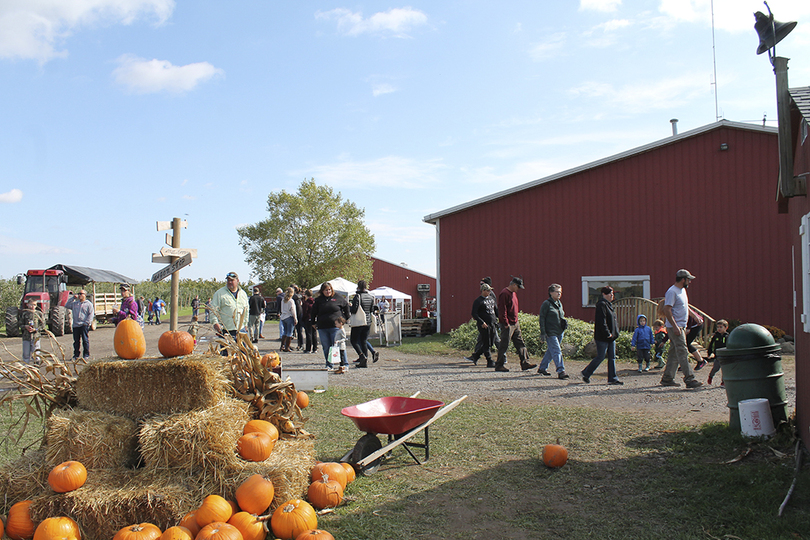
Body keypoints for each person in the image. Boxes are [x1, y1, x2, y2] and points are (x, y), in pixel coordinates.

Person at [660, 269, 703, 388]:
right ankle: (690, 379)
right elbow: (667, 309)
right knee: (683, 351)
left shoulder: (682, 290)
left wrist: (694, 316)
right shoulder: (672, 291)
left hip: (681, 326)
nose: (690, 282)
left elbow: (684, 306)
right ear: (683, 279)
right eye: (688, 279)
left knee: (674, 353)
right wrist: (674, 326)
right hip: (676, 327)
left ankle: (667, 378)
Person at [581, 287, 623, 385]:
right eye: (609, 294)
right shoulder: (601, 305)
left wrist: (615, 333)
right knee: (600, 356)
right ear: (604, 294)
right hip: (603, 337)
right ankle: (586, 373)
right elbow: (601, 321)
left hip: (611, 337)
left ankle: (613, 378)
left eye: (612, 293)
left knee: (612, 357)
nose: (611, 295)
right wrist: (607, 333)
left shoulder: (609, 305)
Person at [494, 277, 537, 373]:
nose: (518, 289)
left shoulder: (513, 293)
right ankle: (499, 365)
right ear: (513, 285)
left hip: (515, 322)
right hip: (508, 323)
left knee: (520, 343)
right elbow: (502, 309)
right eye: (518, 287)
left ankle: (525, 362)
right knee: (504, 344)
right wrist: (505, 323)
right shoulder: (504, 293)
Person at [310, 281, 350, 370]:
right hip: (322, 327)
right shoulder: (318, 300)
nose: (328, 292)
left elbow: (346, 306)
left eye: (329, 290)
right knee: (326, 347)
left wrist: (345, 318)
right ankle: (329, 364)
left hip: (335, 327)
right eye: (325, 290)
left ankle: (344, 364)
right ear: (322, 291)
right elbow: (313, 312)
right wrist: (313, 322)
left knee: (339, 346)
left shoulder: (338, 297)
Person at [210, 272, 250, 355]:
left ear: (237, 280)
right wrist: (215, 322)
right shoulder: (220, 293)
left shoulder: (243, 294)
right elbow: (213, 309)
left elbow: (246, 310)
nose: (229, 282)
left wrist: (245, 324)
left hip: (241, 330)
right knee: (227, 356)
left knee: (243, 355)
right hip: (226, 330)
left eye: (232, 280)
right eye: (228, 280)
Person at [537, 283, 569, 379]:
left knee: (551, 351)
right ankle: (561, 370)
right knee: (556, 351)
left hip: (559, 331)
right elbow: (542, 318)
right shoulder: (546, 304)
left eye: (560, 292)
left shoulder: (559, 303)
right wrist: (543, 332)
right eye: (557, 292)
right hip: (550, 332)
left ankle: (542, 368)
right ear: (551, 293)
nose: (559, 294)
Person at [466, 283, 498, 367]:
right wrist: (481, 322)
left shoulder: (491, 299)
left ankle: (475, 356)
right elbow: (474, 313)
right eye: (487, 290)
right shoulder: (478, 301)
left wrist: (499, 319)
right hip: (484, 325)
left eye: (490, 290)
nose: (489, 292)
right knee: (486, 342)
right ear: (483, 290)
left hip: (493, 323)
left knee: (491, 342)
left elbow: (496, 310)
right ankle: (489, 361)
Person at [349, 280, 378, 368]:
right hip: (367, 322)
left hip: (359, 321)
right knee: (363, 341)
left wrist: (349, 306)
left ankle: (362, 356)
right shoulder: (370, 296)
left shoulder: (357, 296)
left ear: (358, 287)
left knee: (353, 340)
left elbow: (354, 310)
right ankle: (364, 360)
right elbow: (371, 310)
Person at [66, 289, 94, 360]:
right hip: (76, 325)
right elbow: (67, 305)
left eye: (81, 294)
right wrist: (73, 298)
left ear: (85, 295)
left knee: (85, 340)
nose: (79, 295)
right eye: (79, 294)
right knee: (76, 341)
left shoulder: (88, 304)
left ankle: (86, 355)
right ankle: (76, 355)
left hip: (83, 325)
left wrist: (87, 323)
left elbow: (91, 314)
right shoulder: (75, 303)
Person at [21, 299, 46, 364]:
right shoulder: (24, 314)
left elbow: (43, 325)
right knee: (26, 354)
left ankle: (36, 367)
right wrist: (25, 327)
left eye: (34, 305)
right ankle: (26, 368)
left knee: (36, 354)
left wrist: (36, 329)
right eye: (31, 304)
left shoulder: (39, 313)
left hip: (35, 337)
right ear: (27, 304)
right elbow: (20, 324)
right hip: (26, 337)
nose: (32, 306)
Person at [706, 319, 730, 385]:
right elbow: (711, 344)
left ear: (726, 328)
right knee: (715, 368)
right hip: (718, 355)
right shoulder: (716, 336)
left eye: (721, 327)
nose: (719, 329)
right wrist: (709, 352)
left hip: (725, 355)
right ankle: (710, 376)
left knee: (725, 369)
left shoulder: (728, 336)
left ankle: (723, 382)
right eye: (718, 327)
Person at [279, 287, 298, 352]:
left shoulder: (283, 300)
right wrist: (295, 318)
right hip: (289, 317)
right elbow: (293, 310)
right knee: (290, 333)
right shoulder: (291, 301)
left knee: (285, 332)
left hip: (283, 316)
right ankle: (287, 347)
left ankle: (282, 345)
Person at [302, 289, 319, 353]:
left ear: (306, 295)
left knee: (308, 333)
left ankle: (308, 348)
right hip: (314, 319)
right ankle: (315, 348)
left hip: (308, 318)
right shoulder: (315, 302)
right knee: (314, 333)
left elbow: (304, 312)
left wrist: (303, 319)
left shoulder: (306, 303)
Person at [293, 285, 305, 350]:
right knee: (299, 331)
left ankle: (301, 344)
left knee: (299, 331)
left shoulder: (295, 297)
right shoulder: (299, 297)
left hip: (299, 315)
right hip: (299, 315)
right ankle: (300, 344)